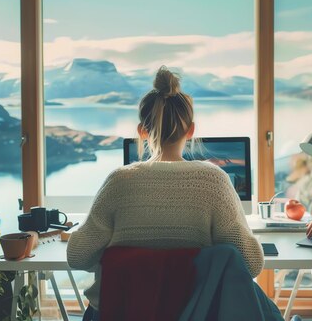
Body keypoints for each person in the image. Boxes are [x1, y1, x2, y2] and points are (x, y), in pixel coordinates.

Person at [66, 66, 264, 320]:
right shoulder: (213, 181)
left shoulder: (119, 181)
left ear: (142, 131)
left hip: (121, 313)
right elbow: (251, 264)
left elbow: (78, 256)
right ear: (191, 130)